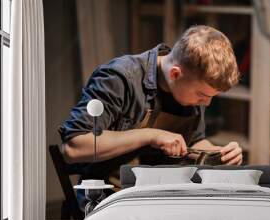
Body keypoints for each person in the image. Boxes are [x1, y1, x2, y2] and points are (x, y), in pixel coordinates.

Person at [59, 25, 243, 197]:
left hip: (162, 192)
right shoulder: (119, 78)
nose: (207, 103)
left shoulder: (189, 84)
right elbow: (74, 146)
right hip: (110, 195)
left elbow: (194, 141)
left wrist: (218, 153)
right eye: (202, 94)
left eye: (212, 96)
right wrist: (150, 135)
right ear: (175, 74)